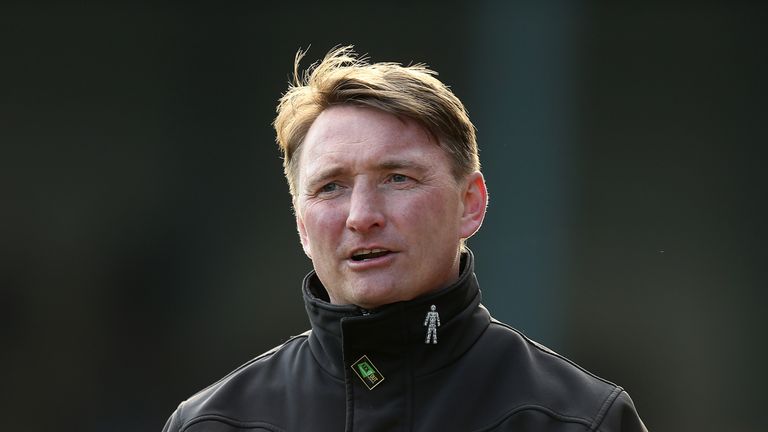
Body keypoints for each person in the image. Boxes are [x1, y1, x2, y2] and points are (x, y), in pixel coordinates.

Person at [162, 46, 647, 432]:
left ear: (471, 203)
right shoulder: (213, 422)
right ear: (302, 227)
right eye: (331, 187)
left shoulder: (578, 420)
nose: (362, 216)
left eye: (397, 178)